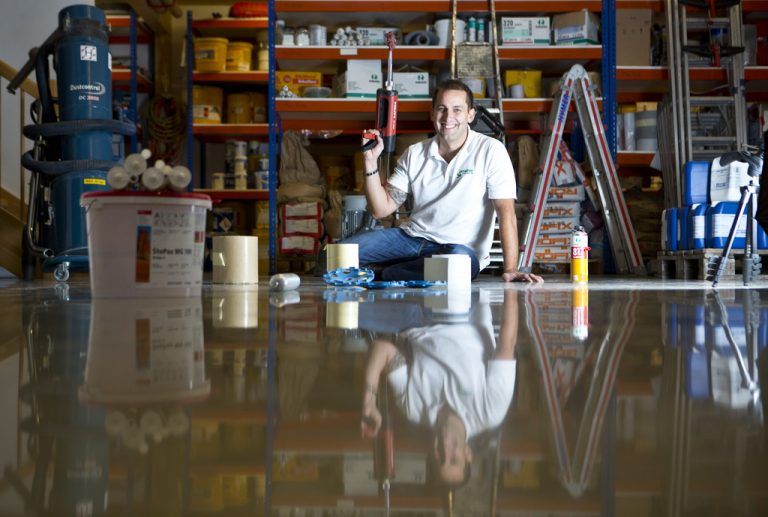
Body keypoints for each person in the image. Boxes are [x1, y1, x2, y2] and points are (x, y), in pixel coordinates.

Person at [344, 79, 542, 283]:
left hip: (459, 249)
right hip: (412, 238)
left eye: (457, 109)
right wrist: (370, 161)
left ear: (470, 114)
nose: (448, 117)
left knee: (457, 264)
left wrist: (510, 269)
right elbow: (381, 209)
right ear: (432, 113)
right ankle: (405, 270)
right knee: (338, 256)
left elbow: (506, 213)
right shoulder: (415, 153)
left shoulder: (491, 151)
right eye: (442, 109)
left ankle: (385, 273)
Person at [360, 289, 519, 487]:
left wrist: (369, 401)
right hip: (463, 307)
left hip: (413, 319)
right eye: (454, 459)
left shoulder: (414, 409)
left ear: (430, 455)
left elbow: (382, 349)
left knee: (346, 313)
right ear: (468, 454)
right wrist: (511, 288)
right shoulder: (490, 411)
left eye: (440, 459)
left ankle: (403, 264)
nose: (445, 450)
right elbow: (507, 343)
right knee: (453, 262)